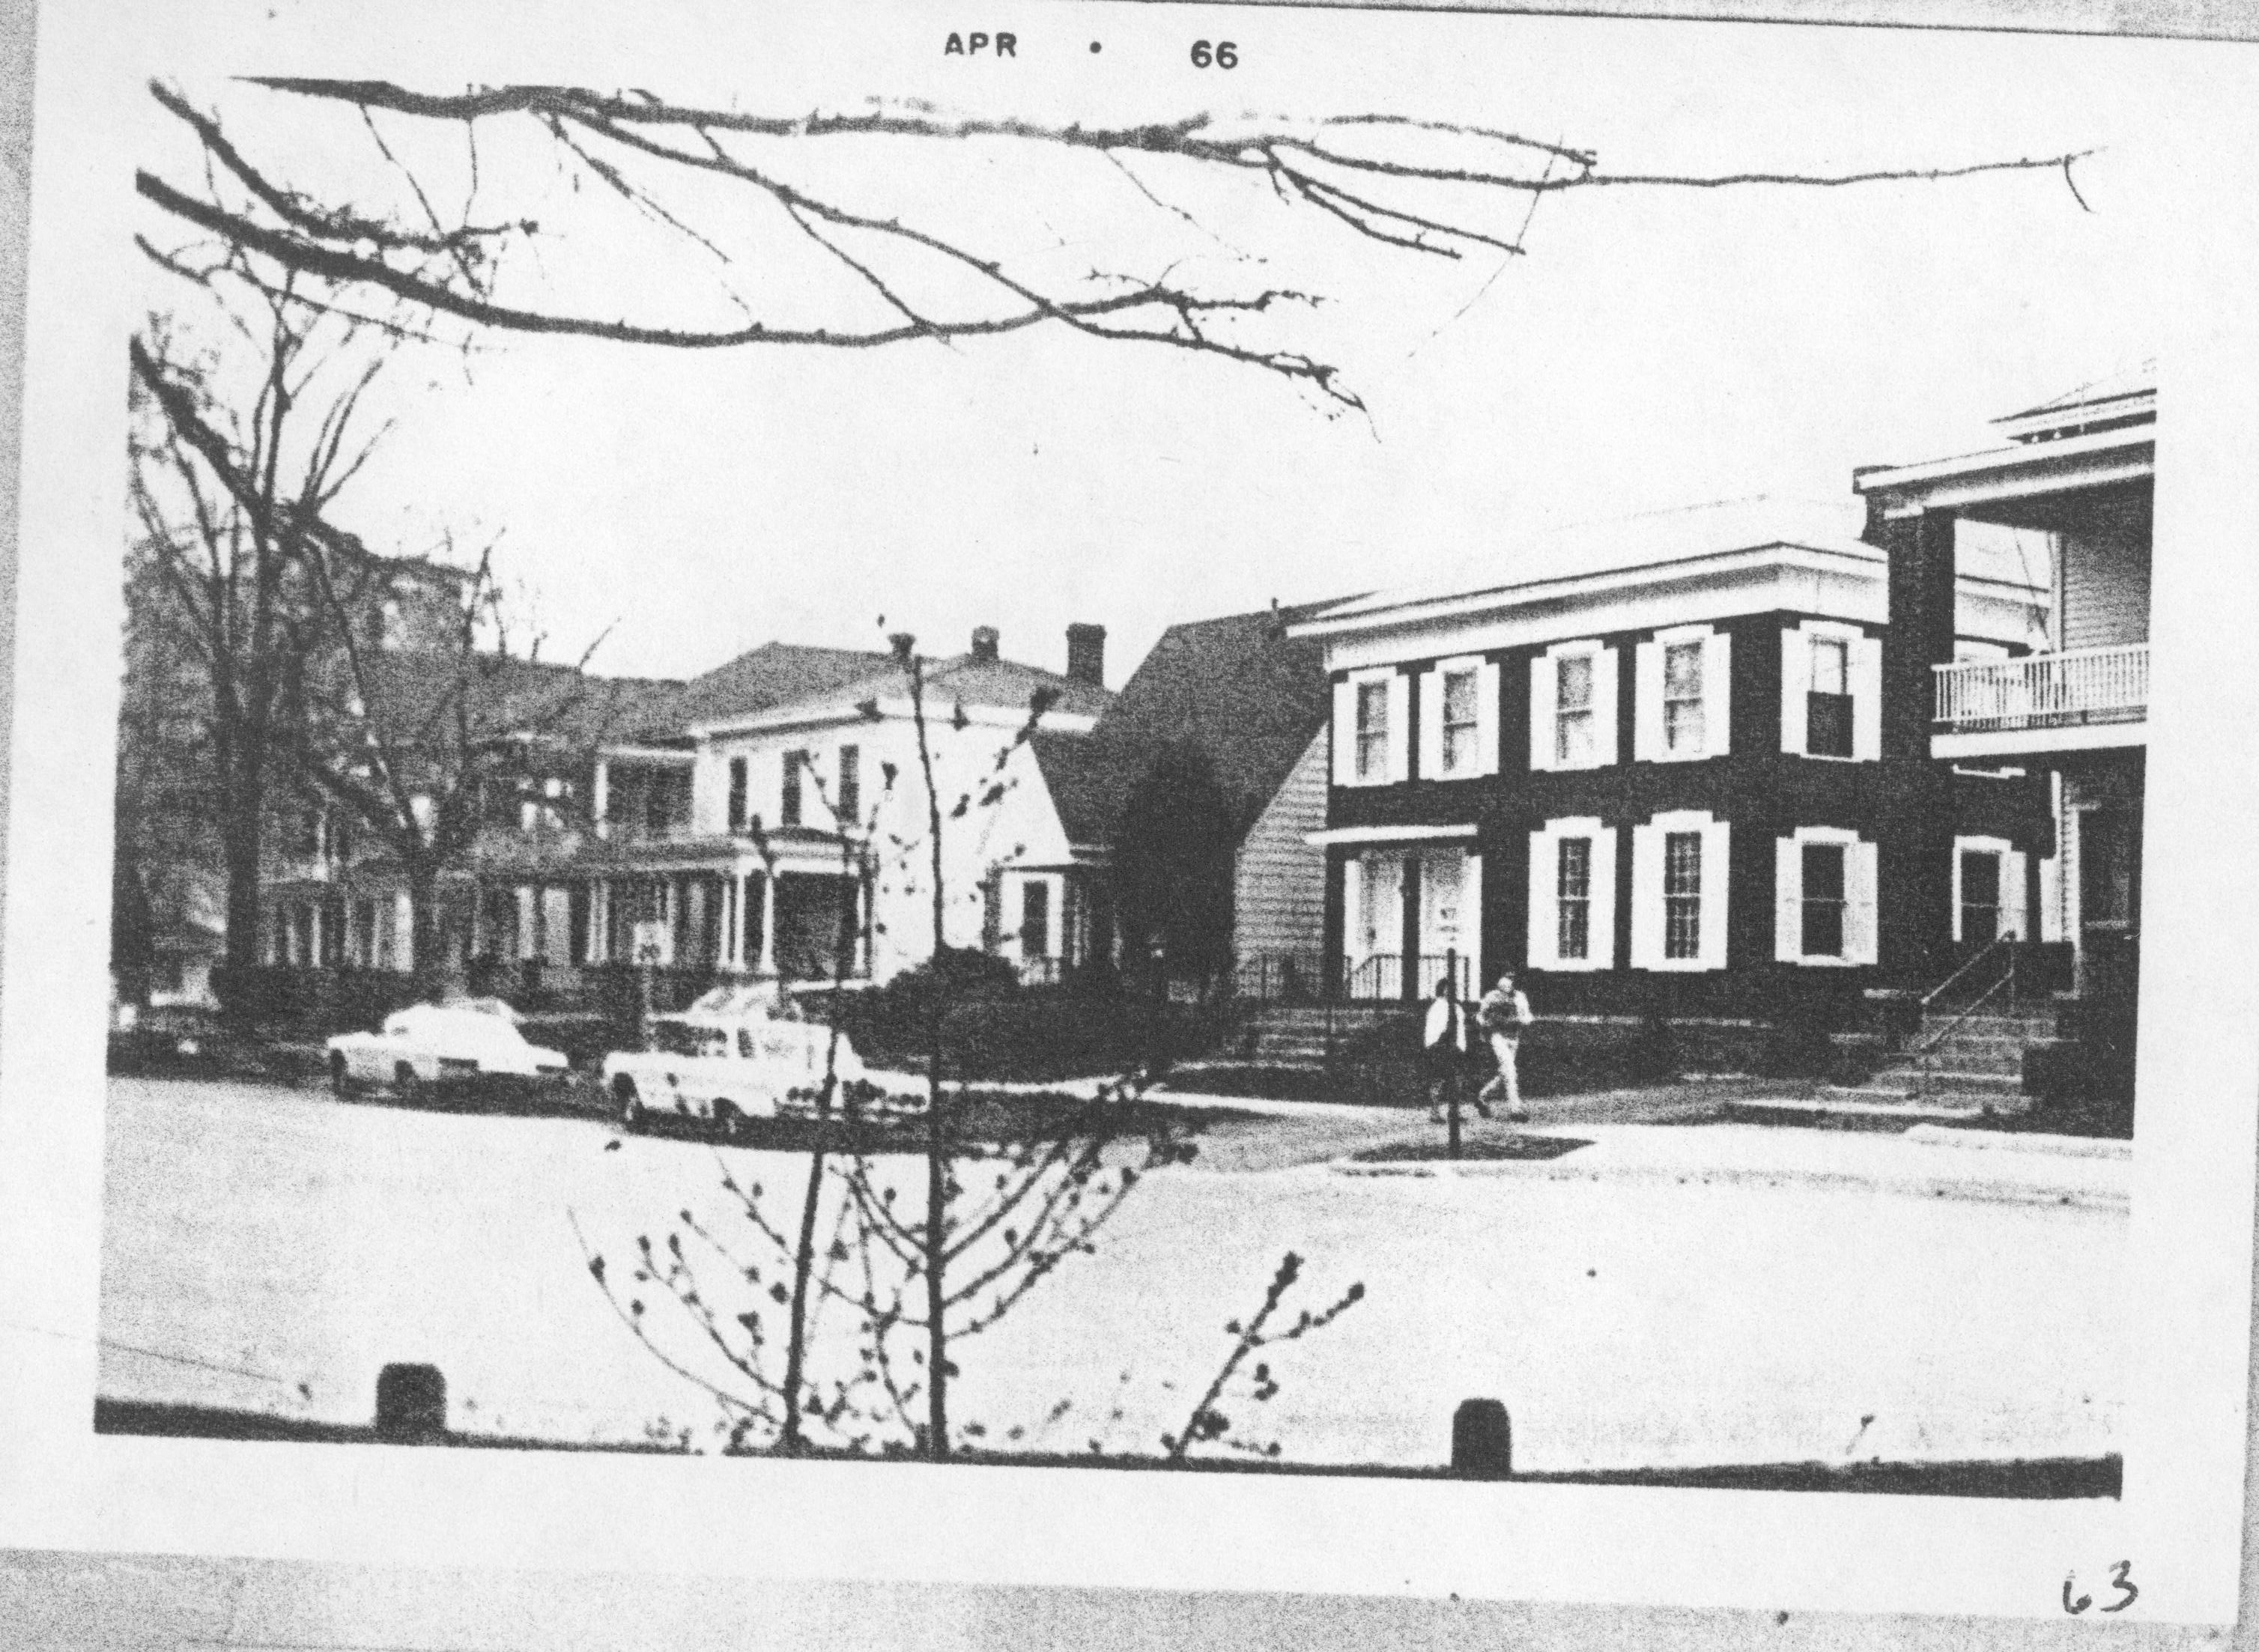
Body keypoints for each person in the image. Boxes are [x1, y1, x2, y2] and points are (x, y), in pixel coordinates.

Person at [1422, 975, 1486, 1121]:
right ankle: (1435, 1112)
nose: (1451, 991)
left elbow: (1462, 1028)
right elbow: (1434, 1029)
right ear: (1442, 990)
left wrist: (1461, 1047)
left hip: (1455, 1047)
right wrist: (1436, 1046)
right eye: (1447, 988)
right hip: (1440, 1047)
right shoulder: (1437, 1007)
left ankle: (1454, 1112)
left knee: (1457, 1080)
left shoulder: (1457, 1007)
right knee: (1439, 1080)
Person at [1477, 968, 1534, 1122]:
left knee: (1504, 1073)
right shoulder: (1491, 997)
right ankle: (1515, 1109)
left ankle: (1482, 1096)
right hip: (1498, 1036)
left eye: (1512, 979)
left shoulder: (1521, 997)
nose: (1509, 983)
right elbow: (1481, 1016)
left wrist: (1520, 1020)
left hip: (1514, 1036)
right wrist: (1488, 1024)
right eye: (1507, 979)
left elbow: (1527, 1016)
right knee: (1510, 1070)